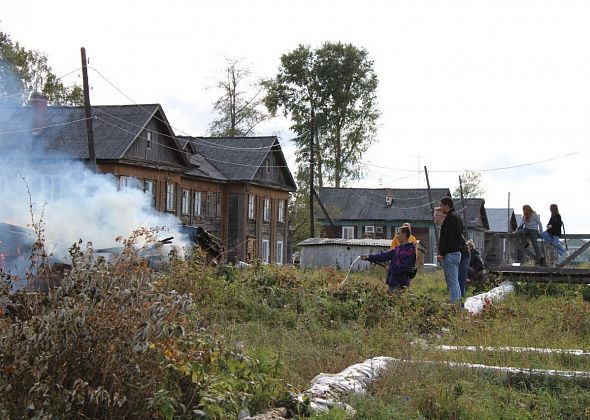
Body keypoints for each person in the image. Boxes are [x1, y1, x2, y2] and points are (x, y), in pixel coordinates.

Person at [361, 226, 416, 294]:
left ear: (404, 235)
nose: (397, 236)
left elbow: (404, 268)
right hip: (392, 284)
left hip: (401, 286)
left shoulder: (410, 251)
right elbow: (383, 256)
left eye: (399, 233)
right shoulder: (397, 249)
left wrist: (390, 268)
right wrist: (369, 257)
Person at [437, 197, 464, 304]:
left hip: (450, 254)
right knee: (455, 283)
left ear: (447, 206)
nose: (441, 207)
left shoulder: (450, 218)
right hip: (456, 253)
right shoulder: (457, 217)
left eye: (442, 205)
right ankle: (457, 304)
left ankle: (454, 306)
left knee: (452, 283)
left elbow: (448, 238)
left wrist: (443, 252)